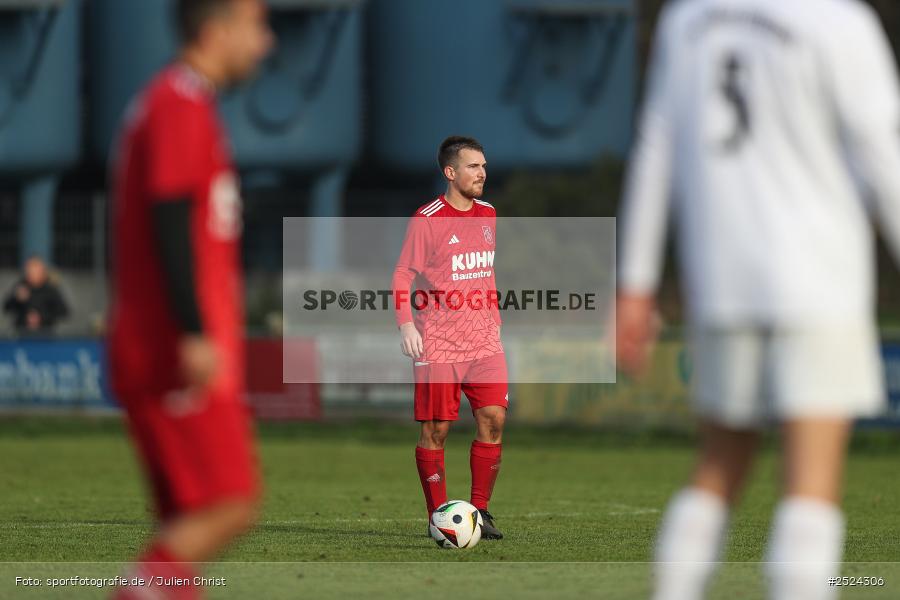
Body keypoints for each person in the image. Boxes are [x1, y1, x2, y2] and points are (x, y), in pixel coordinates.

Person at [616, 1, 900, 599]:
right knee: (812, 482)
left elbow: (655, 146)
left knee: (719, 466)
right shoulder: (838, 22)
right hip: (820, 280)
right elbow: (883, 157)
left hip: (722, 278)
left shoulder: (688, 20)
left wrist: (636, 285)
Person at [107, 1, 272, 597]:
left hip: (165, 345)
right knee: (231, 504)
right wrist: (194, 332)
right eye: (256, 25)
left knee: (187, 523)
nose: (266, 43)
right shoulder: (179, 102)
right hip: (172, 350)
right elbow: (170, 212)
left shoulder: (177, 101)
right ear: (216, 28)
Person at [393, 136, 507, 539]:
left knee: (493, 419)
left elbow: (485, 270)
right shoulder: (428, 219)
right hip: (437, 341)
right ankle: (439, 517)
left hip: (484, 341)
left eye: (484, 166)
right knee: (437, 430)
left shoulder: (489, 214)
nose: (482, 174)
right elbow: (403, 275)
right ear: (450, 172)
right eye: (474, 166)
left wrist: (493, 315)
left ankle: (481, 512)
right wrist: (406, 324)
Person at [3, 255, 69, 335]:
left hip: (46, 334)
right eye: (29, 270)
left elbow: (64, 312)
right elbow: (6, 308)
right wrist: (16, 299)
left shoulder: (51, 289)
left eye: (35, 270)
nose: (32, 273)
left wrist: (41, 317)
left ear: (42, 271)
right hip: (22, 333)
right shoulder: (20, 286)